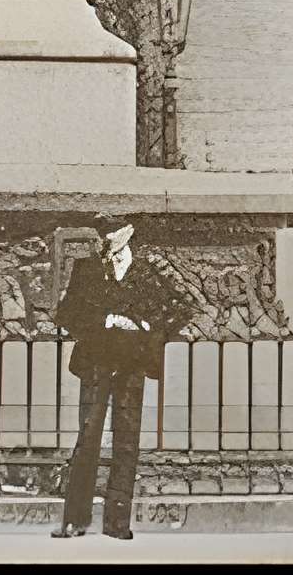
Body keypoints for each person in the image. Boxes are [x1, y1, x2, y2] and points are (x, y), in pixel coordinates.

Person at [53, 214, 177, 540]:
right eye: (105, 238)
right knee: (88, 439)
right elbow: (67, 314)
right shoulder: (89, 269)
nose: (107, 244)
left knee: (127, 443)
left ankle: (117, 523)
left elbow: (174, 313)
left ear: (129, 239)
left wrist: (145, 328)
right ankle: (74, 520)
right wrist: (106, 319)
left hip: (131, 366)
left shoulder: (146, 275)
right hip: (96, 363)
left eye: (114, 238)